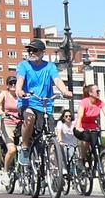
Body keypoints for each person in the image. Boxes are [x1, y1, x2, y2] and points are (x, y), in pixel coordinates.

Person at [4, 38, 73, 179]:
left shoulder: (50, 67)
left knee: (50, 137)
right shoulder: (23, 66)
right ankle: (24, 147)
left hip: (46, 105)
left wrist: (65, 91)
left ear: (42, 52)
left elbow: (57, 80)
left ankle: (54, 167)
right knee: (29, 117)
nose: (31, 52)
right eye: (29, 50)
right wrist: (19, 91)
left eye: (34, 50)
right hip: (28, 102)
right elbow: (20, 81)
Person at [72, 82, 105, 175]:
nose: (99, 92)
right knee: (86, 138)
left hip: (93, 127)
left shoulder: (100, 103)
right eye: (97, 91)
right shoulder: (84, 102)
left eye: (99, 91)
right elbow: (80, 116)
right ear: (90, 93)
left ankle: (97, 169)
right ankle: (81, 159)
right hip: (81, 126)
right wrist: (78, 127)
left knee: (97, 147)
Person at [0, 73, 20, 164]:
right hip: (8, 123)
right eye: (11, 83)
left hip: (20, 124)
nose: (13, 85)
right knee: (12, 150)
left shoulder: (20, 94)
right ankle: (5, 171)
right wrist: (1, 112)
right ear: (7, 85)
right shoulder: (4, 93)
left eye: (15, 83)